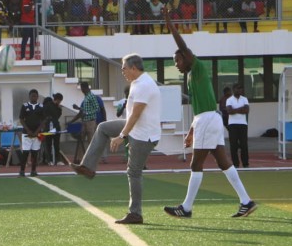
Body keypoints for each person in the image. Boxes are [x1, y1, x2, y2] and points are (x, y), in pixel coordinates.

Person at [163, 14, 257, 218]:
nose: (176, 64)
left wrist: (171, 27)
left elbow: (184, 46)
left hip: (208, 119)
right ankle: (246, 201)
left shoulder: (196, 67)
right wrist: (191, 132)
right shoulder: (190, 77)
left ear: (186, 58)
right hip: (208, 119)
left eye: (177, 60)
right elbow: (199, 109)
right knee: (224, 162)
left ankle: (186, 208)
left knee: (196, 164)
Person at [71, 54, 161, 225]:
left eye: (124, 68)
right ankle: (88, 167)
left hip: (143, 135)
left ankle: (136, 214)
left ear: (134, 68)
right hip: (136, 128)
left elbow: (136, 115)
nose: (122, 71)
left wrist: (121, 136)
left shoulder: (144, 85)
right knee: (103, 127)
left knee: (134, 172)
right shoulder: (138, 83)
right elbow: (133, 117)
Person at [67, 81, 100, 160]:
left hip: (91, 122)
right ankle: (80, 158)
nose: (82, 90)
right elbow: (83, 111)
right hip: (84, 121)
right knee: (80, 140)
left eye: (82, 88)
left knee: (91, 141)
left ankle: (92, 159)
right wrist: (78, 108)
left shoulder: (91, 96)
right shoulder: (86, 97)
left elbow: (97, 108)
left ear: (85, 88)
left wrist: (87, 113)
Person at [18, 89, 45, 177]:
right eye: (32, 96)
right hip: (26, 134)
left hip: (37, 134)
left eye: (35, 96)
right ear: (29, 97)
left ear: (37, 97)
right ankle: (22, 171)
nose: (33, 97)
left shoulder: (41, 106)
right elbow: (21, 119)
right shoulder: (25, 106)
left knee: (35, 153)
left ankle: (33, 171)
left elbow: (43, 121)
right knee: (25, 153)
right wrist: (28, 130)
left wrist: (37, 131)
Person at [226, 83, 249, 168]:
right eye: (238, 88)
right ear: (233, 89)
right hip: (232, 125)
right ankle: (235, 164)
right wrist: (240, 109)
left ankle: (245, 163)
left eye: (241, 88)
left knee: (244, 145)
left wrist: (235, 110)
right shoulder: (229, 100)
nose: (240, 90)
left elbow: (246, 110)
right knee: (233, 145)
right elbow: (229, 111)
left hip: (243, 124)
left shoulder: (245, 99)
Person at [43, 92, 64, 166]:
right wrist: (59, 109)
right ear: (57, 100)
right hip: (50, 127)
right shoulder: (49, 105)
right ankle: (51, 160)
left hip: (54, 126)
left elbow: (57, 116)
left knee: (55, 144)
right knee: (51, 144)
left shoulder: (56, 106)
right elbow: (54, 116)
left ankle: (54, 160)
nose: (60, 102)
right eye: (59, 100)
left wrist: (59, 109)